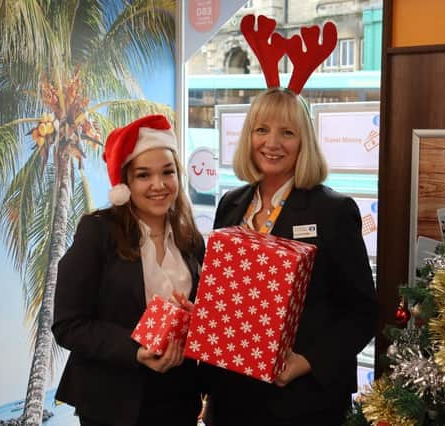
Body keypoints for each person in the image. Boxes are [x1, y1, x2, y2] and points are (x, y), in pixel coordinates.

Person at [204, 87, 378, 426]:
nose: (272, 143)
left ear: (304, 142)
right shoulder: (231, 204)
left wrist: (306, 361)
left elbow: (363, 313)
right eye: (261, 130)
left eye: (287, 132)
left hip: (303, 401)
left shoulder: (333, 211)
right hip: (231, 396)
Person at [52, 114, 205, 426]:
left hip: (179, 399)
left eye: (168, 172)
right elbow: (68, 324)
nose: (159, 185)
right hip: (114, 403)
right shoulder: (98, 232)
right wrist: (136, 350)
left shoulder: (192, 238)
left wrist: (197, 319)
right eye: (144, 175)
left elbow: (200, 317)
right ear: (125, 183)